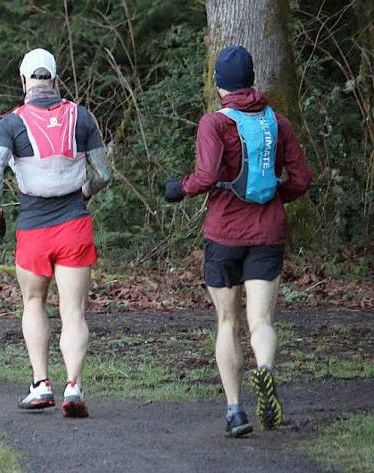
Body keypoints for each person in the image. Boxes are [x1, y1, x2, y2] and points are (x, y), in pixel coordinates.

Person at [163, 45, 311, 437]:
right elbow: (302, 179)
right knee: (260, 319)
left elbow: (207, 175)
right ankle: (265, 369)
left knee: (227, 321)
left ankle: (234, 411)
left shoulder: (214, 123)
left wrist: (180, 188)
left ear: (219, 84)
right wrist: (278, 199)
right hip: (267, 232)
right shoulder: (278, 122)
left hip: (224, 233)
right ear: (251, 79)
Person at [0, 48, 113, 417]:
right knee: (73, 312)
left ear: (23, 82)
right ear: (56, 81)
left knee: (34, 303)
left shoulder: (10, 123)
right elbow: (104, 174)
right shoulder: (81, 116)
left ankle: (41, 384)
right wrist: (83, 193)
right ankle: (73, 386)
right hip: (74, 223)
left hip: (33, 229)